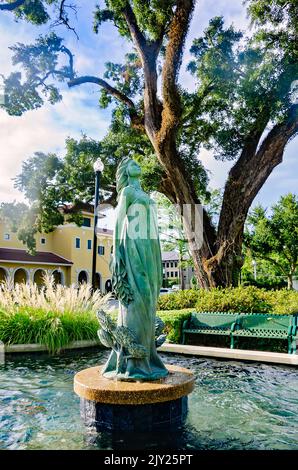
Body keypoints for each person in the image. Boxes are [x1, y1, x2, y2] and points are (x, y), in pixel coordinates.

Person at [102, 157, 168, 381]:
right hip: (133, 246)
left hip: (150, 245)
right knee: (137, 296)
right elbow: (119, 222)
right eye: (132, 164)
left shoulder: (146, 194)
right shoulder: (127, 192)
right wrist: (116, 251)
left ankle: (147, 354)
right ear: (125, 171)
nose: (137, 165)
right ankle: (133, 360)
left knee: (150, 296)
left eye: (138, 163)